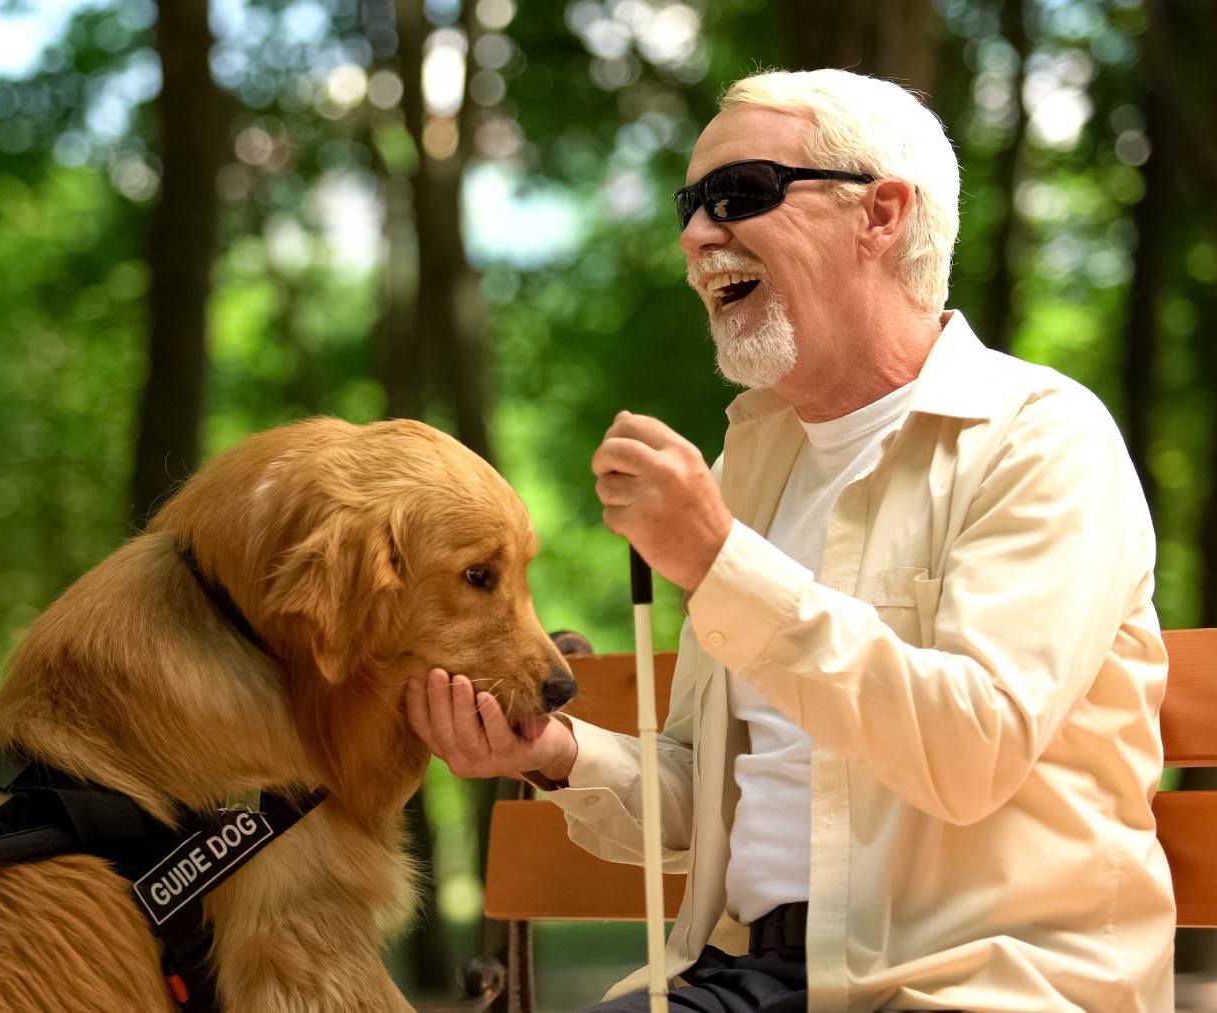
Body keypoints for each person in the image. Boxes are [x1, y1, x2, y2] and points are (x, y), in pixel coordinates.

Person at [405, 68, 1175, 1012]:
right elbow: (703, 792)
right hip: (749, 977)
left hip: (981, 983)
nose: (695, 235)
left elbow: (973, 749)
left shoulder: (1041, 436)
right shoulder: (751, 472)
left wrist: (721, 563)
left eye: (739, 193)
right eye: (689, 205)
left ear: (882, 213)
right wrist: (550, 751)